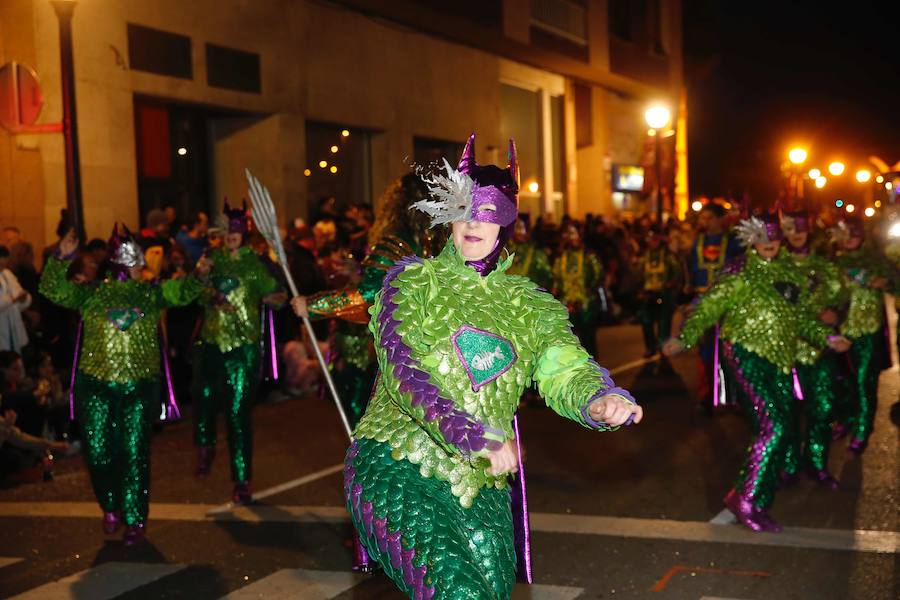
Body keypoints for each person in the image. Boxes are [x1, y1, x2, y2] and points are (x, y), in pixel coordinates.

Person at [335, 135, 641, 598]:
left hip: (482, 484)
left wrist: (598, 398)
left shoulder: (531, 304)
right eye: (465, 211)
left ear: (507, 224)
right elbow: (403, 370)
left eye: (487, 213)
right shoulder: (412, 280)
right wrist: (471, 435)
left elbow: (565, 366)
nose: (474, 223)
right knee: (461, 593)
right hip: (398, 464)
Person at [665, 214, 850, 532]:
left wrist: (827, 337)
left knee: (783, 426)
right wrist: (685, 337)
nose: (770, 243)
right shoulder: (739, 271)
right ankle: (746, 500)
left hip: (780, 359)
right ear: (751, 240)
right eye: (763, 238)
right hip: (745, 354)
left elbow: (802, 318)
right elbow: (710, 306)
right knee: (774, 426)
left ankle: (753, 497)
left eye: (774, 238)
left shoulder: (789, 273)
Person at [39, 225, 207, 544]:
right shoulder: (91, 294)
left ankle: (135, 517)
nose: (139, 262)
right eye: (135, 256)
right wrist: (61, 256)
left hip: (139, 387)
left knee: (134, 452)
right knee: (99, 452)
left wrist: (200, 273)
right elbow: (51, 289)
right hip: (96, 386)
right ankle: (111, 505)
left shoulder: (151, 292)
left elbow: (183, 292)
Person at [292, 173, 444, 430]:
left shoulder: (397, 240)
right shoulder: (438, 243)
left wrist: (313, 305)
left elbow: (368, 295)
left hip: (401, 358)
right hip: (436, 353)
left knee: (374, 431)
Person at [192, 201, 282, 503]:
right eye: (228, 230)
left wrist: (277, 297)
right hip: (211, 343)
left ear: (243, 233)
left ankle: (242, 478)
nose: (232, 235)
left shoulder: (254, 265)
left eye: (237, 230)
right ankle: (205, 448)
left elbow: (276, 295)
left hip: (243, 349)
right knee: (203, 399)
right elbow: (194, 293)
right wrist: (205, 286)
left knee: (237, 413)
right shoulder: (212, 260)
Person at [777, 210, 847, 489]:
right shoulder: (774, 267)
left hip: (820, 350)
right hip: (786, 352)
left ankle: (816, 464)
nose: (796, 234)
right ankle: (790, 465)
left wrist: (836, 312)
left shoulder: (825, 267)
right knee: (790, 412)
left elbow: (841, 296)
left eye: (801, 229)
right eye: (791, 229)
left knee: (823, 408)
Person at [830, 216, 894, 454]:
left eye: (854, 234)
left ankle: (863, 429)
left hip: (869, 329)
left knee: (864, 381)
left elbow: (894, 281)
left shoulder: (876, 260)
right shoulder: (832, 263)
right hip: (842, 331)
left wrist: (884, 281)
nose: (849, 239)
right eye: (844, 234)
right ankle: (847, 419)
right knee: (843, 380)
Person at [684, 202, 744, 414]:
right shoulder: (697, 242)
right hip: (703, 302)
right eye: (702, 218)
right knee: (706, 352)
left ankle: (736, 396)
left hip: (728, 303)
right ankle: (707, 396)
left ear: (720, 219)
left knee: (731, 350)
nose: (705, 222)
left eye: (709, 217)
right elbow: (692, 269)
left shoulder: (734, 241)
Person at [551, 224, 604, 358]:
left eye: (575, 235)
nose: (573, 238)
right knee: (569, 339)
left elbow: (598, 274)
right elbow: (557, 278)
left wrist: (590, 290)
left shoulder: (588, 256)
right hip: (568, 304)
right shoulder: (561, 257)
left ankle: (592, 369)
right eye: (570, 236)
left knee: (588, 339)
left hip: (585, 303)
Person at [636, 227, 681, 358]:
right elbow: (638, 274)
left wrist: (671, 283)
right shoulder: (645, 256)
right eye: (650, 239)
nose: (652, 242)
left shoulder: (668, 256)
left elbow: (677, 271)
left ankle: (662, 347)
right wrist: (639, 288)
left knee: (664, 322)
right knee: (646, 321)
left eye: (655, 239)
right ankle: (650, 347)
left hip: (664, 293)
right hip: (648, 294)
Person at [506, 216, 552, 290]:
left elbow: (545, 278)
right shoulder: (504, 251)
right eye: (515, 228)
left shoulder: (536, 254)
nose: (519, 232)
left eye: (521, 227)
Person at [0, 245, 32, 354]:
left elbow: (19, 295)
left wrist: (24, 299)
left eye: (4, 263)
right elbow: (10, 299)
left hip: (13, 326)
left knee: (16, 362)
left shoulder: (7, 274)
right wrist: (13, 299)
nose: (3, 266)